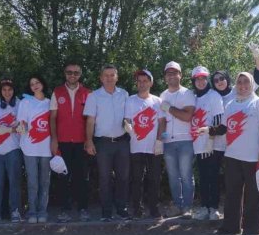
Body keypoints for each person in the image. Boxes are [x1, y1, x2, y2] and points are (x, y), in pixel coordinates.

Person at [210, 72, 259, 235]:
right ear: (236, 85)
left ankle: (252, 227)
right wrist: (208, 131)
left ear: (251, 84)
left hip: (253, 157)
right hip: (232, 155)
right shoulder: (230, 104)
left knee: (254, 193)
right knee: (232, 193)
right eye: (239, 82)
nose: (243, 85)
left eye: (246, 82)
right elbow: (223, 128)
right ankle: (230, 226)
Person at [84, 64, 131, 222]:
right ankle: (106, 211)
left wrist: (128, 123)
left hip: (122, 141)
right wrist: (89, 141)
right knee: (104, 178)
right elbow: (90, 121)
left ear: (117, 77)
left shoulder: (124, 94)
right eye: (106, 75)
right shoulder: (94, 96)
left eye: (112, 75)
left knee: (123, 177)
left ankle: (122, 209)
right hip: (103, 143)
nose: (109, 78)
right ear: (101, 78)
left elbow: (128, 117)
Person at [50, 62, 92, 223]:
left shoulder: (88, 93)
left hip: (82, 141)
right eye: (69, 72)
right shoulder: (57, 92)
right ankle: (64, 210)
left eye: (75, 73)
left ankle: (83, 208)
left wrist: (89, 141)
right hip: (62, 141)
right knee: (62, 177)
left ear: (80, 75)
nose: (72, 75)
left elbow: (90, 119)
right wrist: (54, 139)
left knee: (82, 177)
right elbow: (53, 118)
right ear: (64, 73)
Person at [158, 61, 196, 218]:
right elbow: (162, 121)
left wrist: (170, 109)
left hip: (185, 140)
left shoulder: (187, 93)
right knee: (173, 176)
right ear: (165, 77)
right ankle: (177, 205)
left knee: (186, 175)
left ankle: (187, 206)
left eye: (175, 73)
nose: (172, 75)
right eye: (169, 73)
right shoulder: (162, 95)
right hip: (168, 142)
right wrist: (159, 141)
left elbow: (187, 116)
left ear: (180, 75)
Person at [124, 69, 162, 219]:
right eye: (139, 81)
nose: (142, 84)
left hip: (154, 146)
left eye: (145, 81)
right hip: (136, 146)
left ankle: (154, 209)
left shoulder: (157, 101)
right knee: (136, 179)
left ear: (151, 82)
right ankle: (137, 209)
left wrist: (159, 140)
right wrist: (127, 126)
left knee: (154, 178)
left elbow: (162, 122)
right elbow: (127, 119)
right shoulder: (131, 100)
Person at [0, 78, 23, 224]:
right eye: (4, 90)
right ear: (0, 92)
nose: (7, 92)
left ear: (14, 90)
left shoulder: (20, 104)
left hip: (13, 148)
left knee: (14, 181)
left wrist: (9, 129)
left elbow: (23, 127)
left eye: (10, 90)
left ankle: (15, 211)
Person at [189, 66, 224, 221]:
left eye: (203, 78)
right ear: (193, 81)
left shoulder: (214, 96)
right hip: (198, 143)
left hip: (212, 144)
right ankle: (204, 207)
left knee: (213, 176)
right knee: (203, 176)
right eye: (198, 79)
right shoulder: (193, 97)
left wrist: (210, 139)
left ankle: (214, 208)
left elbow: (218, 120)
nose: (201, 82)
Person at [18, 74, 52, 223]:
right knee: (32, 181)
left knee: (45, 181)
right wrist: (22, 127)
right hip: (29, 148)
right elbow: (22, 122)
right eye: (32, 84)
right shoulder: (25, 102)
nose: (35, 86)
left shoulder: (50, 103)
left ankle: (42, 211)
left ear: (42, 84)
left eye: (37, 82)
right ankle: (32, 212)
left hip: (46, 148)